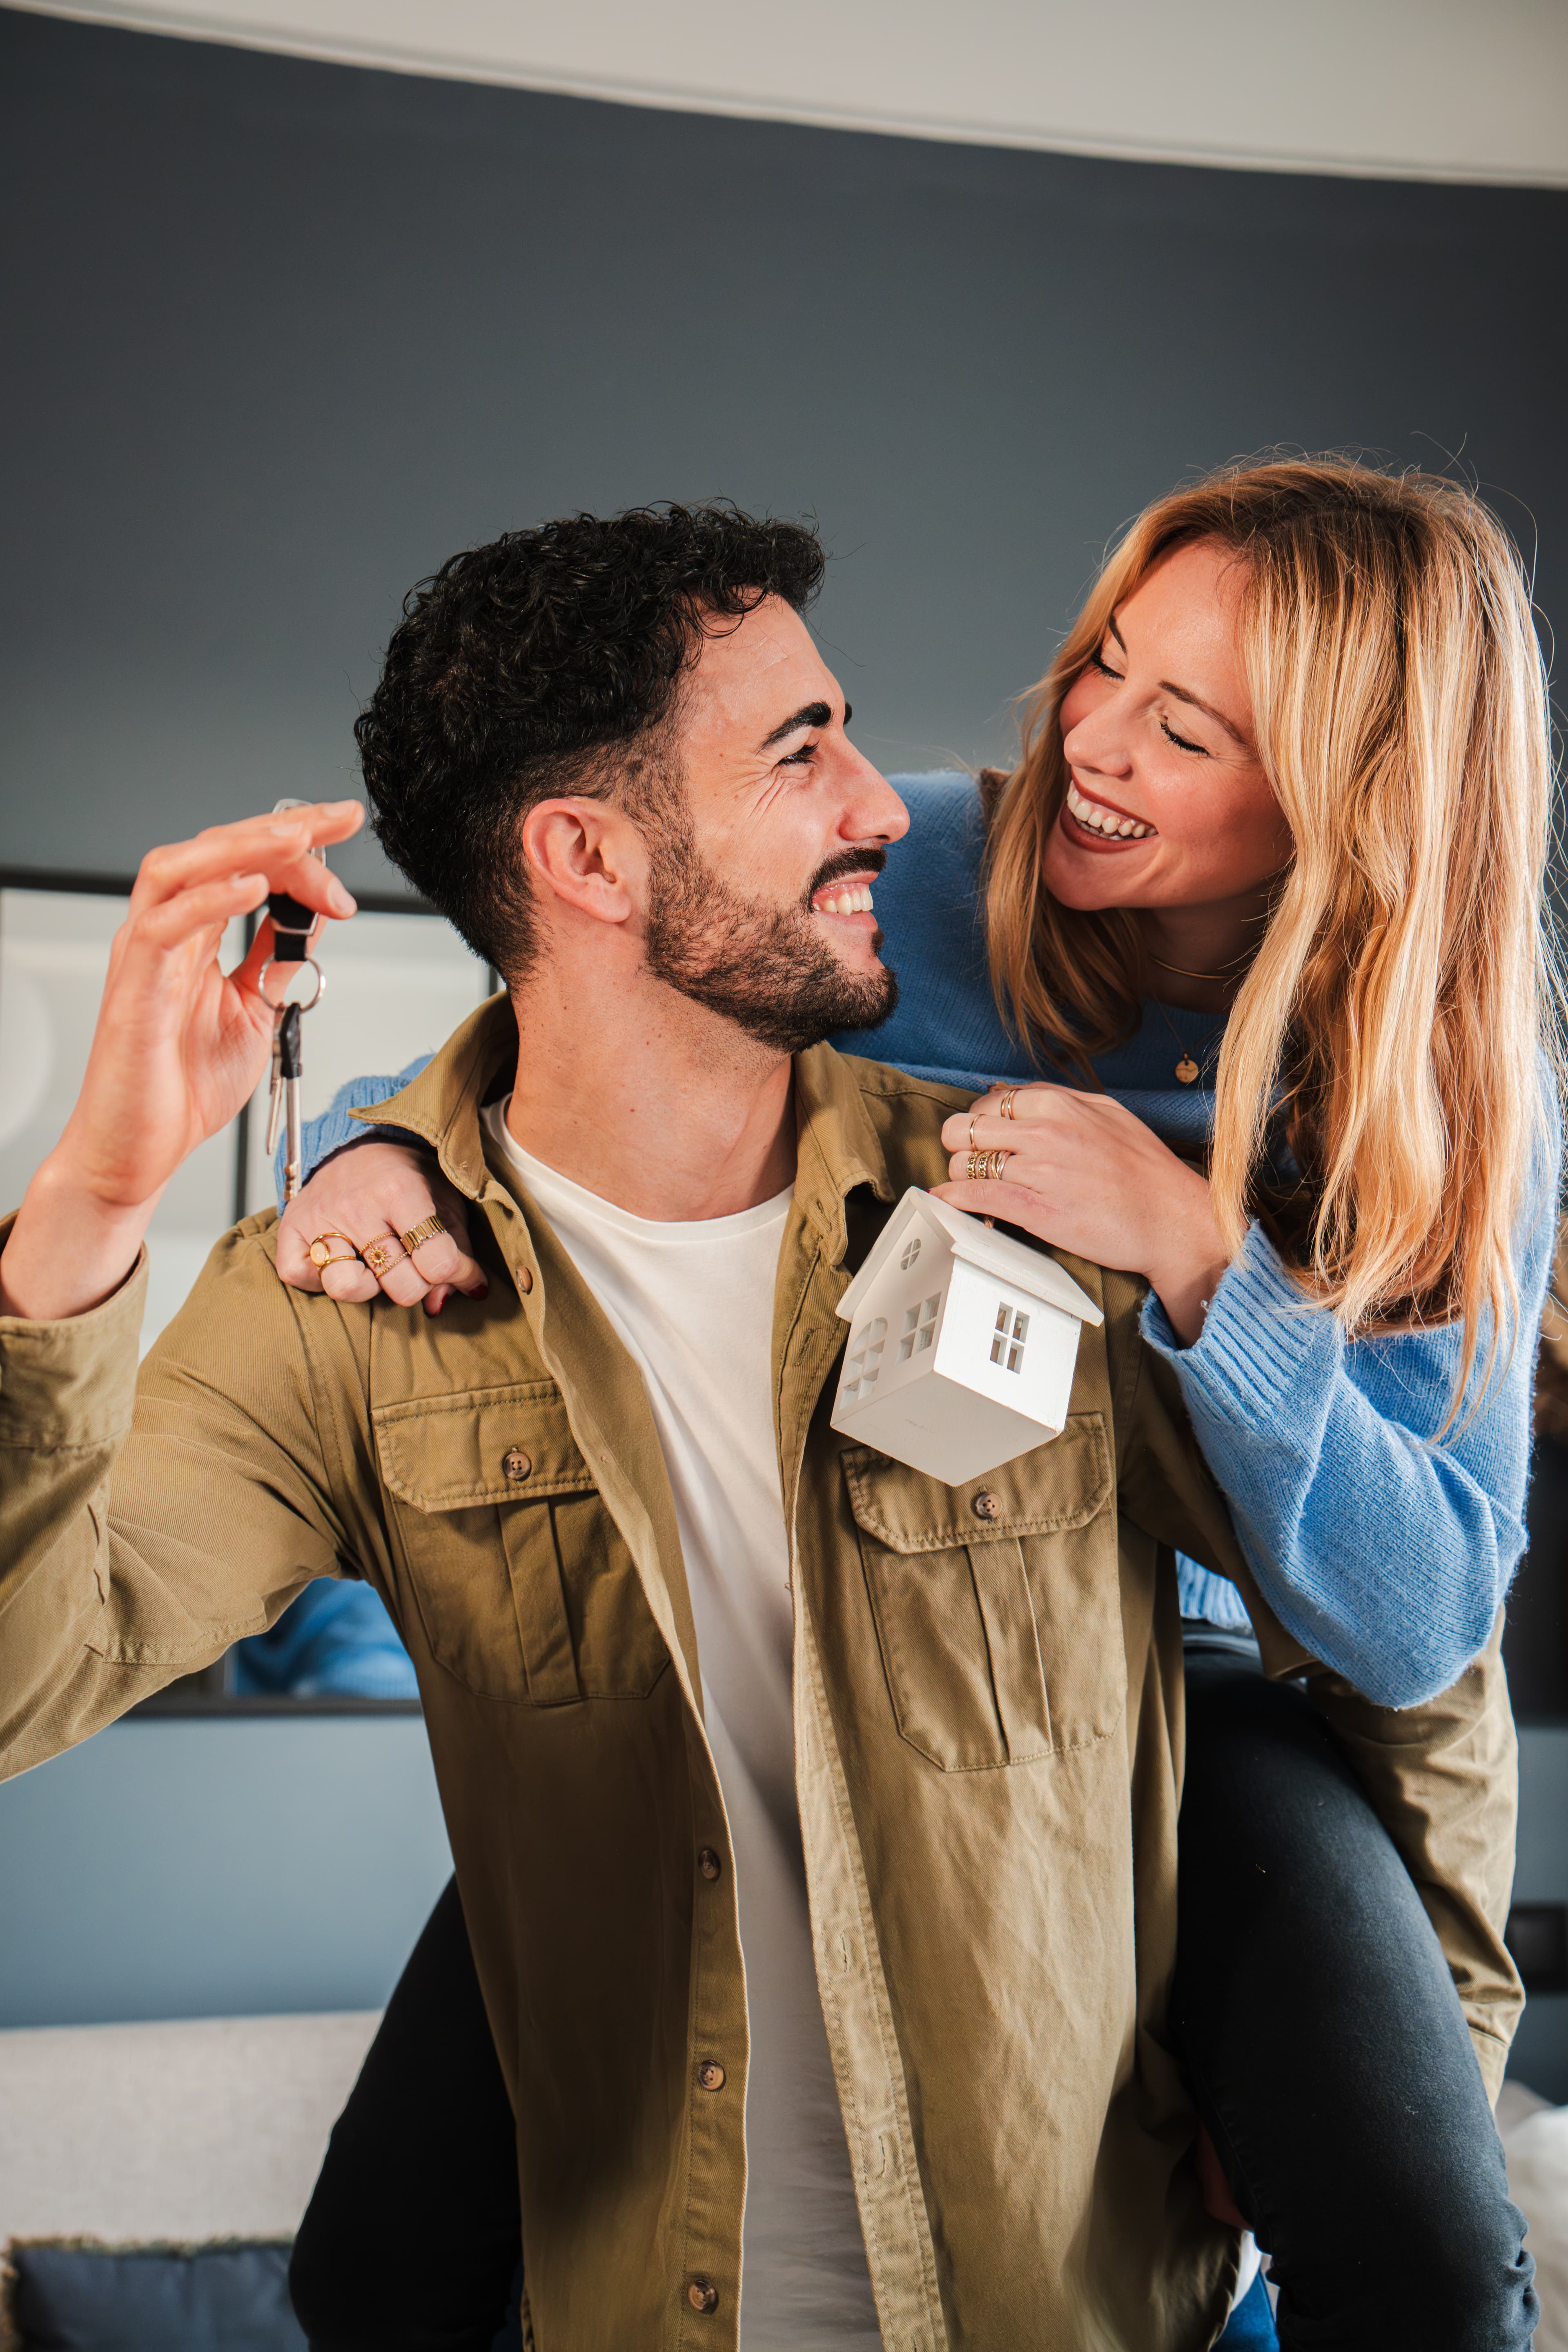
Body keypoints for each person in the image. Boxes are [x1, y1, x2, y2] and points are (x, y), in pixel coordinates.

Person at [0, 503, 1528, 2352]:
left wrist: (1213, 1267)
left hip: (1187, 1690)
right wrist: (277, 1162)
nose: (1061, 753)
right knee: (373, 2278)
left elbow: (1426, 1635)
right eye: (1106, 661)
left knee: (1437, 2273)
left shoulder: (1399, 1102)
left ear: (1343, 808)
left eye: (1188, 730)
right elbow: (558, 1040)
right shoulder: (958, 861)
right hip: (683, 1792)